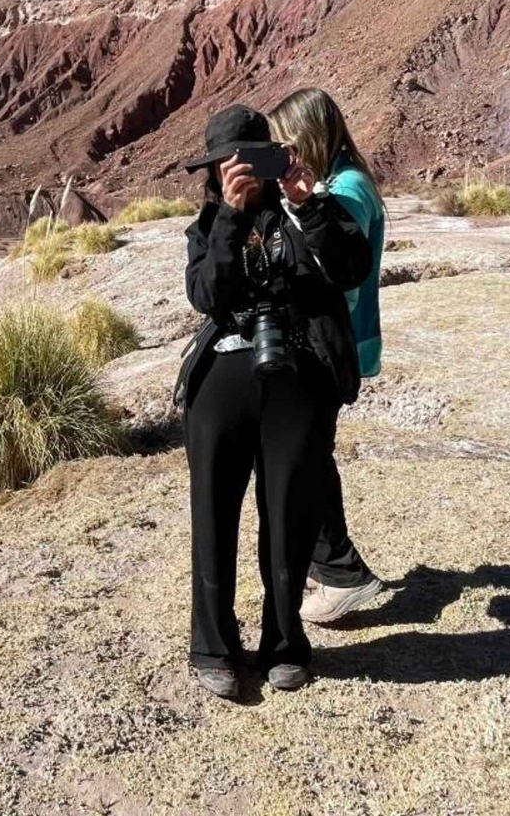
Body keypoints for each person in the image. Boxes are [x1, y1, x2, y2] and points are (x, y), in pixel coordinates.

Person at [174, 104, 373, 699]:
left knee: (289, 516)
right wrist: (231, 220)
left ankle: (285, 644)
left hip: (299, 380)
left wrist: (308, 204)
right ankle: (213, 647)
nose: (244, 173)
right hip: (221, 384)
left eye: (254, 160)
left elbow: (352, 267)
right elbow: (207, 296)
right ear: (214, 170)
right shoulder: (207, 226)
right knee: (213, 517)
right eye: (228, 163)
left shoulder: (303, 209)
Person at [266, 88, 387, 623]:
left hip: (328, 343)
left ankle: (343, 575)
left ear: (310, 136)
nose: (284, 154)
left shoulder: (348, 189)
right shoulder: (335, 183)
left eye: (288, 142)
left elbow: (340, 271)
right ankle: (332, 568)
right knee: (310, 455)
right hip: (324, 339)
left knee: (307, 460)